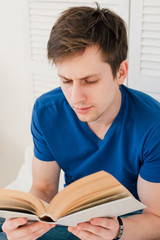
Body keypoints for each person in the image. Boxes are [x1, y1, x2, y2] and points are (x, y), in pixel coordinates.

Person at [1, 3, 160, 240]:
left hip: (128, 221)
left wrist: (118, 230)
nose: (76, 98)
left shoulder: (152, 125)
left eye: (90, 81)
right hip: (72, 215)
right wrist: (28, 221)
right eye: (66, 80)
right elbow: (44, 189)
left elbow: (156, 218)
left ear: (121, 73)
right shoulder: (46, 111)